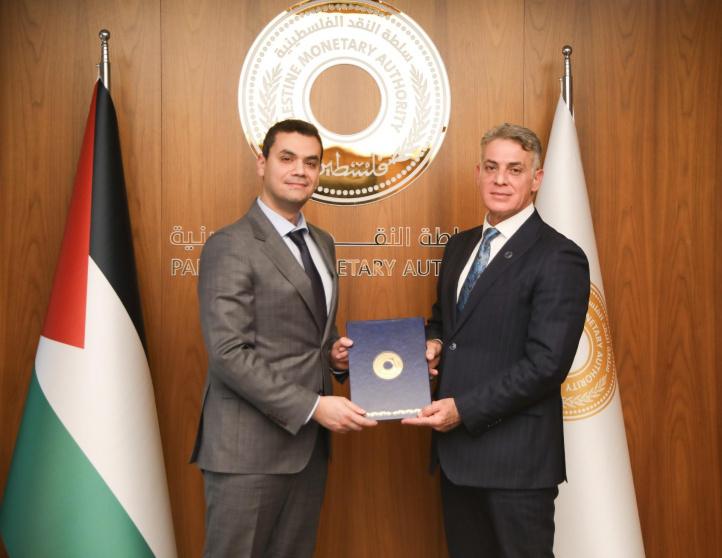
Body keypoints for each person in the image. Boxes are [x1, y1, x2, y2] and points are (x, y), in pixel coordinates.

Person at [191, 119, 377, 558]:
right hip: (247, 453)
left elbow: (313, 334)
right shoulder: (231, 244)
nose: (300, 171)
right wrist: (314, 406)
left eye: (311, 162)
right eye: (287, 158)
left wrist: (334, 356)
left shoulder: (322, 243)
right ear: (263, 163)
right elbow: (228, 353)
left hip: (307, 451)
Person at [403, 123, 590, 557]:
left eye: (514, 169)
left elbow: (547, 365)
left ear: (536, 179)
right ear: (478, 173)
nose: (500, 179)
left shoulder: (559, 256)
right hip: (456, 459)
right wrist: (433, 343)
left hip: (516, 466)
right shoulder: (459, 246)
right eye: (491, 167)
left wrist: (463, 410)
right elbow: (445, 323)